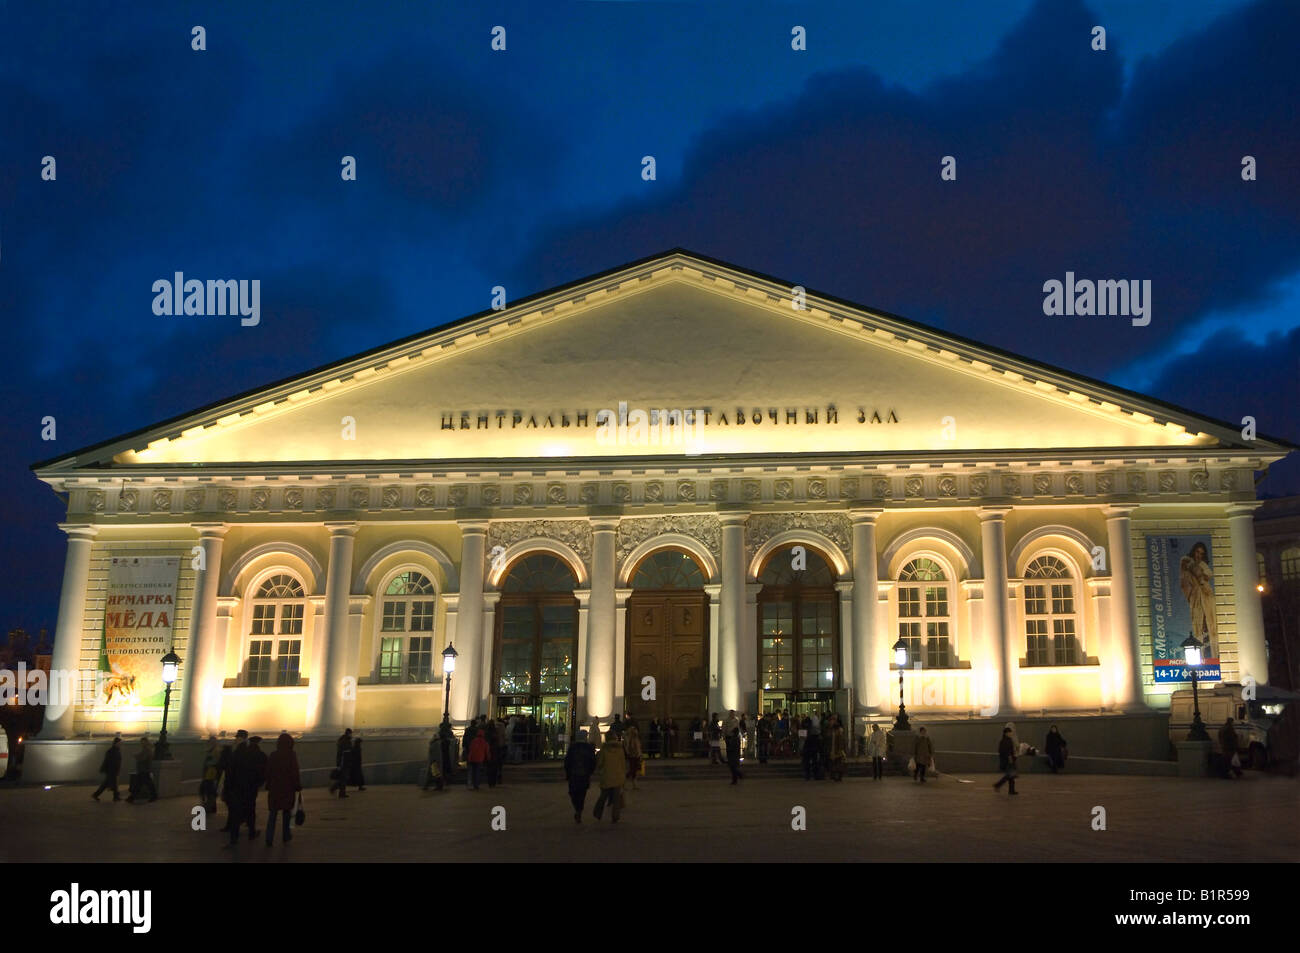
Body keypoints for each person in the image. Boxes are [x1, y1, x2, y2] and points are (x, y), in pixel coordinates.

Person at [263, 732, 301, 846]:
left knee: (272, 815)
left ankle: (269, 838)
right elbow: (295, 772)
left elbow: (268, 772)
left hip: (275, 789)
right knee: (286, 814)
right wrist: (297, 785)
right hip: (287, 789)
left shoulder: (273, 755)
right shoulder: (291, 755)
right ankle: (286, 835)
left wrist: (268, 785)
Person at [592, 732, 627, 823]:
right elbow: (623, 764)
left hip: (606, 775)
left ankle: (597, 813)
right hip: (618, 776)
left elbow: (599, 763)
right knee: (616, 799)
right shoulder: (620, 749)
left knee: (603, 796)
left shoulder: (604, 749)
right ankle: (615, 816)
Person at [564, 729, 598, 822]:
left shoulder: (572, 747)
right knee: (581, 794)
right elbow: (593, 761)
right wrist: (590, 771)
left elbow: (567, 762)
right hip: (583, 775)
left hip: (574, 775)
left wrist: (567, 773)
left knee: (573, 793)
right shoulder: (588, 748)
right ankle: (579, 809)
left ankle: (578, 809)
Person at [218, 731, 246, 831]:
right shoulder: (232, 750)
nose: (237, 739)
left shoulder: (242, 751)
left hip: (237, 783)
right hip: (231, 782)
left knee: (234, 805)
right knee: (231, 805)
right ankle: (233, 823)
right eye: (237, 737)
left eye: (239, 737)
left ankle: (234, 825)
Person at [126, 735, 157, 803]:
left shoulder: (147, 750)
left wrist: (136, 756)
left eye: (142, 742)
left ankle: (132, 797)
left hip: (144, 769)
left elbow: (143, 758)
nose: (141, 743)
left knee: (144, 784)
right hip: (143, 769)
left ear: (145, 742)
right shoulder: (146, 749)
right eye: (141, 742)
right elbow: (142, 756)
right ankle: (132, 797)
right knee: (142, 784)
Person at [92, 736, 123, 801]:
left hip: (112, 770)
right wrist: (114, 770)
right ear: (116, 743)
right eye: (119, 743)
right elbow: (110, 762)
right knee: (112, 783)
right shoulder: (113, 751)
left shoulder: (113, 750)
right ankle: (115, 796)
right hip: (112, 770)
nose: (120, 744)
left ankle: (96, 794)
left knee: (107, 783)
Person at [198, 735, 221, 813]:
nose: (210, 742)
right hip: (208, 773)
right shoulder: (211, 750)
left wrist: (209, 763)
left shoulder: (216, 750)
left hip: (211, 774)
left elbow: (216, 762)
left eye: (212, 741)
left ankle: (209, 807)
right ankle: (211, 807)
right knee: (208, 791)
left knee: (209, 791)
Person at [993, 726, 1018, 795]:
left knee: (1011, 776)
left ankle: (1011, 790)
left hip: (1008, 760)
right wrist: (1010, 759)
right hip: (1007, 761)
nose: (1011, 733)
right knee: (1010, 775)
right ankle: (998, 785)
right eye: (1009, 732)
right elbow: (1006, 752)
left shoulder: (1007, 740)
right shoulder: (1005, 741)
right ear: (1006, 733)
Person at [330, 729, 352, 798]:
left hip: (345, 762)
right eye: (351, 733)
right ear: (348, 733)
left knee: (343, 778)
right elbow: (340, 754)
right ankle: (337, 790)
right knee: (343, 778)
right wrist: (339, 764)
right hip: (344, 762)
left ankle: (340, 792)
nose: (351, 735)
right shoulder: (344, 741)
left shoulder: (345, 740)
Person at [723, 710, 743, 784]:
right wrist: (724, 736)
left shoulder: (736, 720)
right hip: (729, 736)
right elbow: (724, 728)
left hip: (733, 738)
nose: (732, 714)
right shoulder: (726, 720)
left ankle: (738, 776)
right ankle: (738, 775)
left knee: (733, 765)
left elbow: (738, 727)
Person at [828, 716, 847, 782]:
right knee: (835, 763)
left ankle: (838, 776)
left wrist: (841, 749)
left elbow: (841, 741)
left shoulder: (838, 731)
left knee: (838, 763)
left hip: (837, 750)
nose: (830, 722)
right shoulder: (831, 730)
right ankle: (836, 776)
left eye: (832, 721)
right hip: (833, 750)